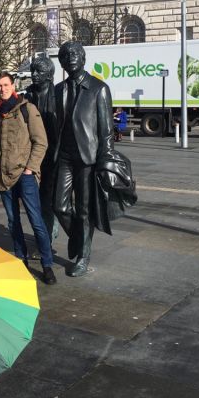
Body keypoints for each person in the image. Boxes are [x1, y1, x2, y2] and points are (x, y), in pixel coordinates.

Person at [53, 41, 137, 277]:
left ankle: (83, 256)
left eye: (75, 54)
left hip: (88, 158)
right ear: (61, 61)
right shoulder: (58, 89)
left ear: (83, 58)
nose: (71, 57)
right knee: (59, 206)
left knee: (83, 210)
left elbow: (107, 131)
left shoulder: (99, 88)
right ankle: (79, 240)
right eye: (66, 55)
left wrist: (104, 161)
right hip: (65, 156)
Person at [0, 71, 57, 285]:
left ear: (13, 85)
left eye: (6, 84)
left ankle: (47, 264)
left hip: (25, 175)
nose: (3, 88)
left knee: (35, 220)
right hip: (4, 175)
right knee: (13, 222)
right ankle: (21, 259)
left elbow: (41, 142)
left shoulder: (27, 109)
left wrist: (31, 168)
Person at [25, 55, 60, 244]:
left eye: (39, 72)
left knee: (48, 196)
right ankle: (45, 229)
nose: (34, 75)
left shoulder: (57, 95)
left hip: (52, 153)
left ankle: (46, 234)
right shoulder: (28, 94)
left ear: (49, 75)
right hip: (32, 153)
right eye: (33, 71)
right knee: (36, 197)